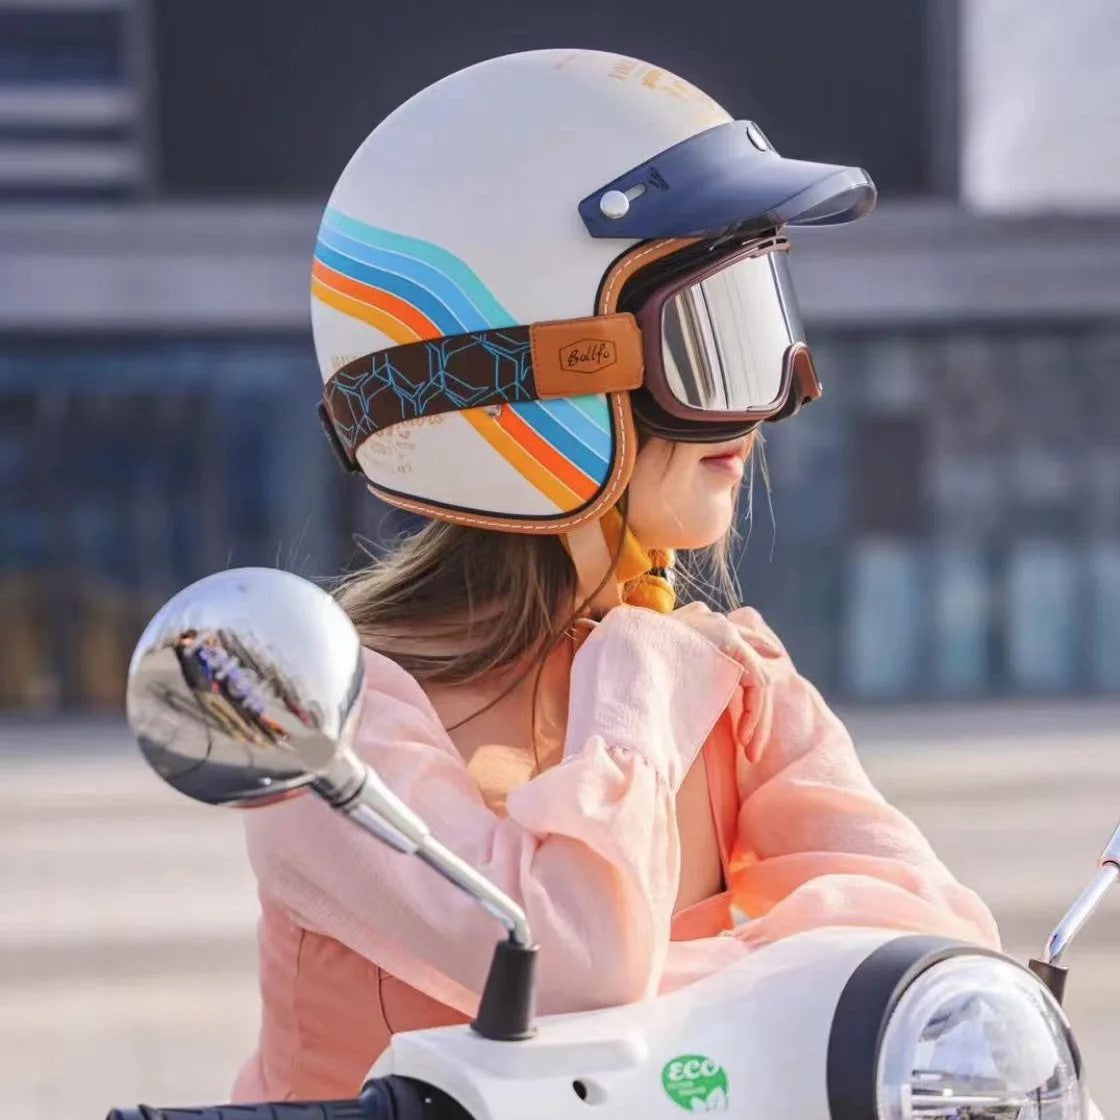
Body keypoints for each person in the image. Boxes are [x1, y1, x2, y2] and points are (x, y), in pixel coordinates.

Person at [232, 48, 999, 1102]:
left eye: (762, 323)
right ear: (542, 368)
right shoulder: (325, 722)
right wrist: (639, 669)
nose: (767, 403)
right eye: (707, 339)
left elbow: (936, 956)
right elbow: (567, 962)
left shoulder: (736, 683)